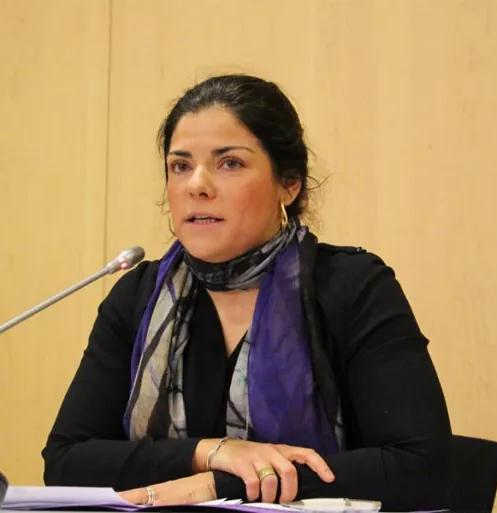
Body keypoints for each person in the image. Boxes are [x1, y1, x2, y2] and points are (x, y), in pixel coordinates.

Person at [41, 74, 453, 511]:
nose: (197, 185)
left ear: (288, 184)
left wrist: (219, 485)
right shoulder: (138, 296)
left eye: (230, 163)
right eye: (180, 166)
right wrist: (210, 452)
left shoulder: (350, 287)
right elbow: (67, 461)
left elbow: (424, 468)